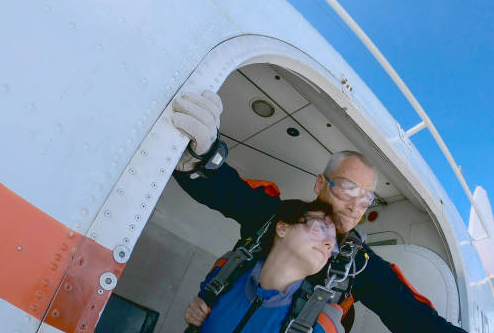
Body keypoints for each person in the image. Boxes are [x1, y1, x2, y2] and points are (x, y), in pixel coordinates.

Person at [171, 91, 467, 332]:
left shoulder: (359, 264)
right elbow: (228, 193)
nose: (355, 206)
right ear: (319, 184)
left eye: (366, 199)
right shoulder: (275, 216)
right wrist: (200, 159)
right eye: (348, 189)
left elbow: (414, 318)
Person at [184, 199, 343, 332]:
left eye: (333, 243)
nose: (329, 243)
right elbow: (200, 309)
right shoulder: (227, 269)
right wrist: (196, 311)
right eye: (320, 228)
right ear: (283, 228)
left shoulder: (321, 323)